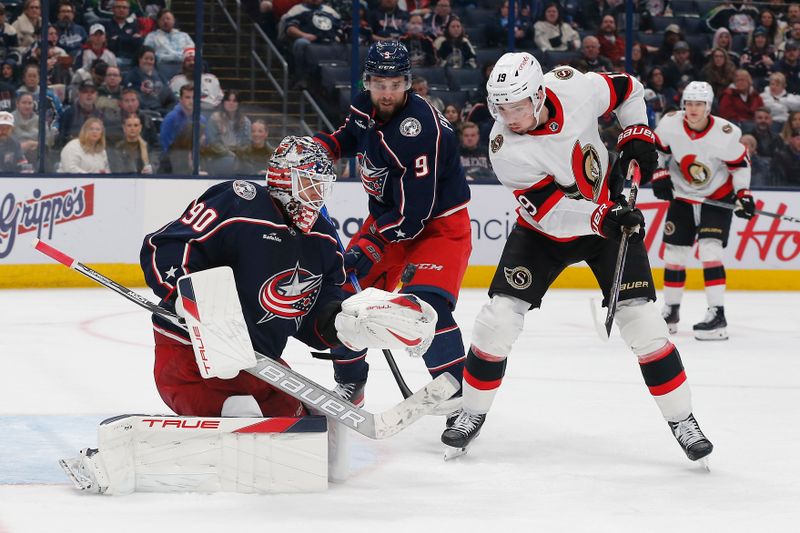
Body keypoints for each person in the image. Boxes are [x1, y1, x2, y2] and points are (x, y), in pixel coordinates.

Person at [443, 52, 714, 467]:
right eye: (500, 107)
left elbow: (628, 89)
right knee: (497, 320)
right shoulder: (505, 149)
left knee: (643, 323)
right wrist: (603, 215)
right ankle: (473, 410)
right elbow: (552, 213)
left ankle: (683, 420)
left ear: (538, 95)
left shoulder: (572, 86)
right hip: (546, 233)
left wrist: (637, 131)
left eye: (515, 106)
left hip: (609, 223)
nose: (507, 117)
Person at [139, 135, 435, 419]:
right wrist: (185, 298)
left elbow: (312, 314)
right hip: (188, 356)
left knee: (308, 427)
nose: (316, 197)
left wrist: (343, 326)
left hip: (258, 365)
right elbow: (166, 246)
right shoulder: (239, 202)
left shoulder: (323, 238)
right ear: (283, 178)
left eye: (322, 188)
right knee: (243, 415)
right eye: (309, 185)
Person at [312, 41, 472, 439]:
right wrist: (326, 146)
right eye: (379, 82)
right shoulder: (366, 103)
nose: (386, 92)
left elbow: (416, 213)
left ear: (409, 83)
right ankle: (352, 381)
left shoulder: (421, 131)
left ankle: (462, 403)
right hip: (388, 220)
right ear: (367, 81)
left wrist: (372, 244)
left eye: (395, 83)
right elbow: (352, 136)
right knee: (342, 292)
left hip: (438, 226)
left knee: (426, 309)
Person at [651, 81, 755, 341]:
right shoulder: (670, 124)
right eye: (689, 103)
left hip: (715, 198)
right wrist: (659, 172)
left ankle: (717, 315)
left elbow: (740, 164)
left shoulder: (726, 132)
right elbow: (657, 152)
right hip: (683, 196)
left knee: (710, 250)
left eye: (699, 104)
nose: (693, 109)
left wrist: (743, 194)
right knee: (674, 254)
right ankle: (671, 312)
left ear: (708, 107)